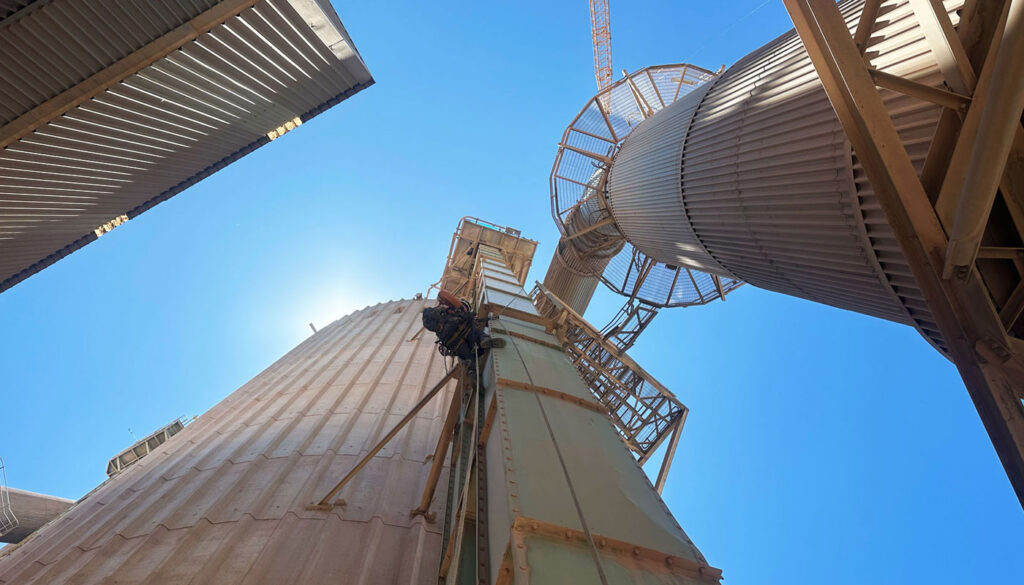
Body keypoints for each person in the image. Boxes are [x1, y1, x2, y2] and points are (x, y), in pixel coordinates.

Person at [421, 290, 504, 360]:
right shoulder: (449, 307)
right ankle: (483, 338)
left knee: (471, 356)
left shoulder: (440, 312)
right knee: (476, 331)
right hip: (459, 329)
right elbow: (443, 294)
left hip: (452, 341)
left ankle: (471, 367)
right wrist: (466, 312)